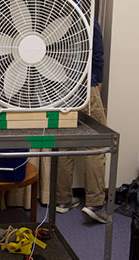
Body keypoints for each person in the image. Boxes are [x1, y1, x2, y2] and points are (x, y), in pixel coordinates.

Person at [55, 20, 108, 223]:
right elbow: (97, 53)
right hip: (84, 85)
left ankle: (62, 201)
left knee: (64, 143)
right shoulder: (86, 12)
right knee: (97, 143)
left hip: (59, 86)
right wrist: (97, 83)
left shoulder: (58, 13)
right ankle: (95, 203)